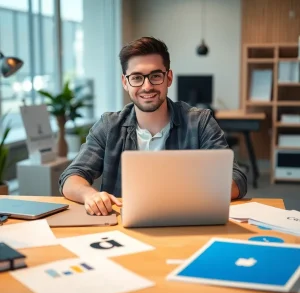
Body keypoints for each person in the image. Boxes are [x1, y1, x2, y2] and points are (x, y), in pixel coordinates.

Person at [59, 36, 247, 216]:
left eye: (155, 76)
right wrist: (90, 195)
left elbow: (236, 178)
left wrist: (188, 198)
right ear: (125, 82)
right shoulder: (109, 126)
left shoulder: (199, 122)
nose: (147, 86)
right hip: (121, 230)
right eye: (137, 77)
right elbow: (71, 177)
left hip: (187, 224)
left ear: (169, 78)